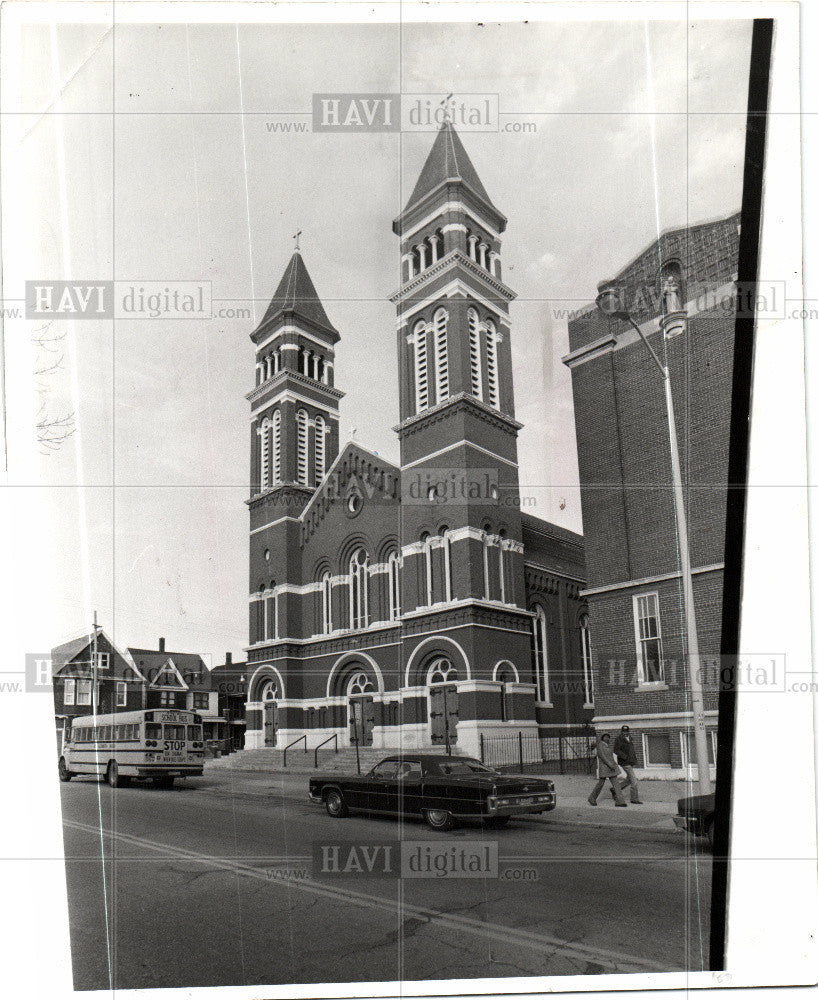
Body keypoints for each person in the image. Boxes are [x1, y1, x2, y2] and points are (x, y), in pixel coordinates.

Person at [588, 733, 627, 806]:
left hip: (611, 767)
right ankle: (592, 798)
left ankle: (620, 801)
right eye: (606, 737)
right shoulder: (600, 746)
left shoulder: (607, 746)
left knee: (616, 784)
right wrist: (610, 765)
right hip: (605, 768)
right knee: (601, 783)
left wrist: (614, 765)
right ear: (602, 738)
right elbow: (603, 757)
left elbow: (610, 757)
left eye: (608, 737)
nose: (607, 739)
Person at [612, 725, 644, 804]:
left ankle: (615, 789)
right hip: (625, 762)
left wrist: (633, 760)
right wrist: (625, 757)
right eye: (624, 731)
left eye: (626, 731)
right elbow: (616, 750)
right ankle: (634, 799)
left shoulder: (630, 738)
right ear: (621, 731)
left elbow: (631, 751)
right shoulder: (618, 739)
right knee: (634, 781)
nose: (625, 733)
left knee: (629, 780)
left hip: (630, 762)